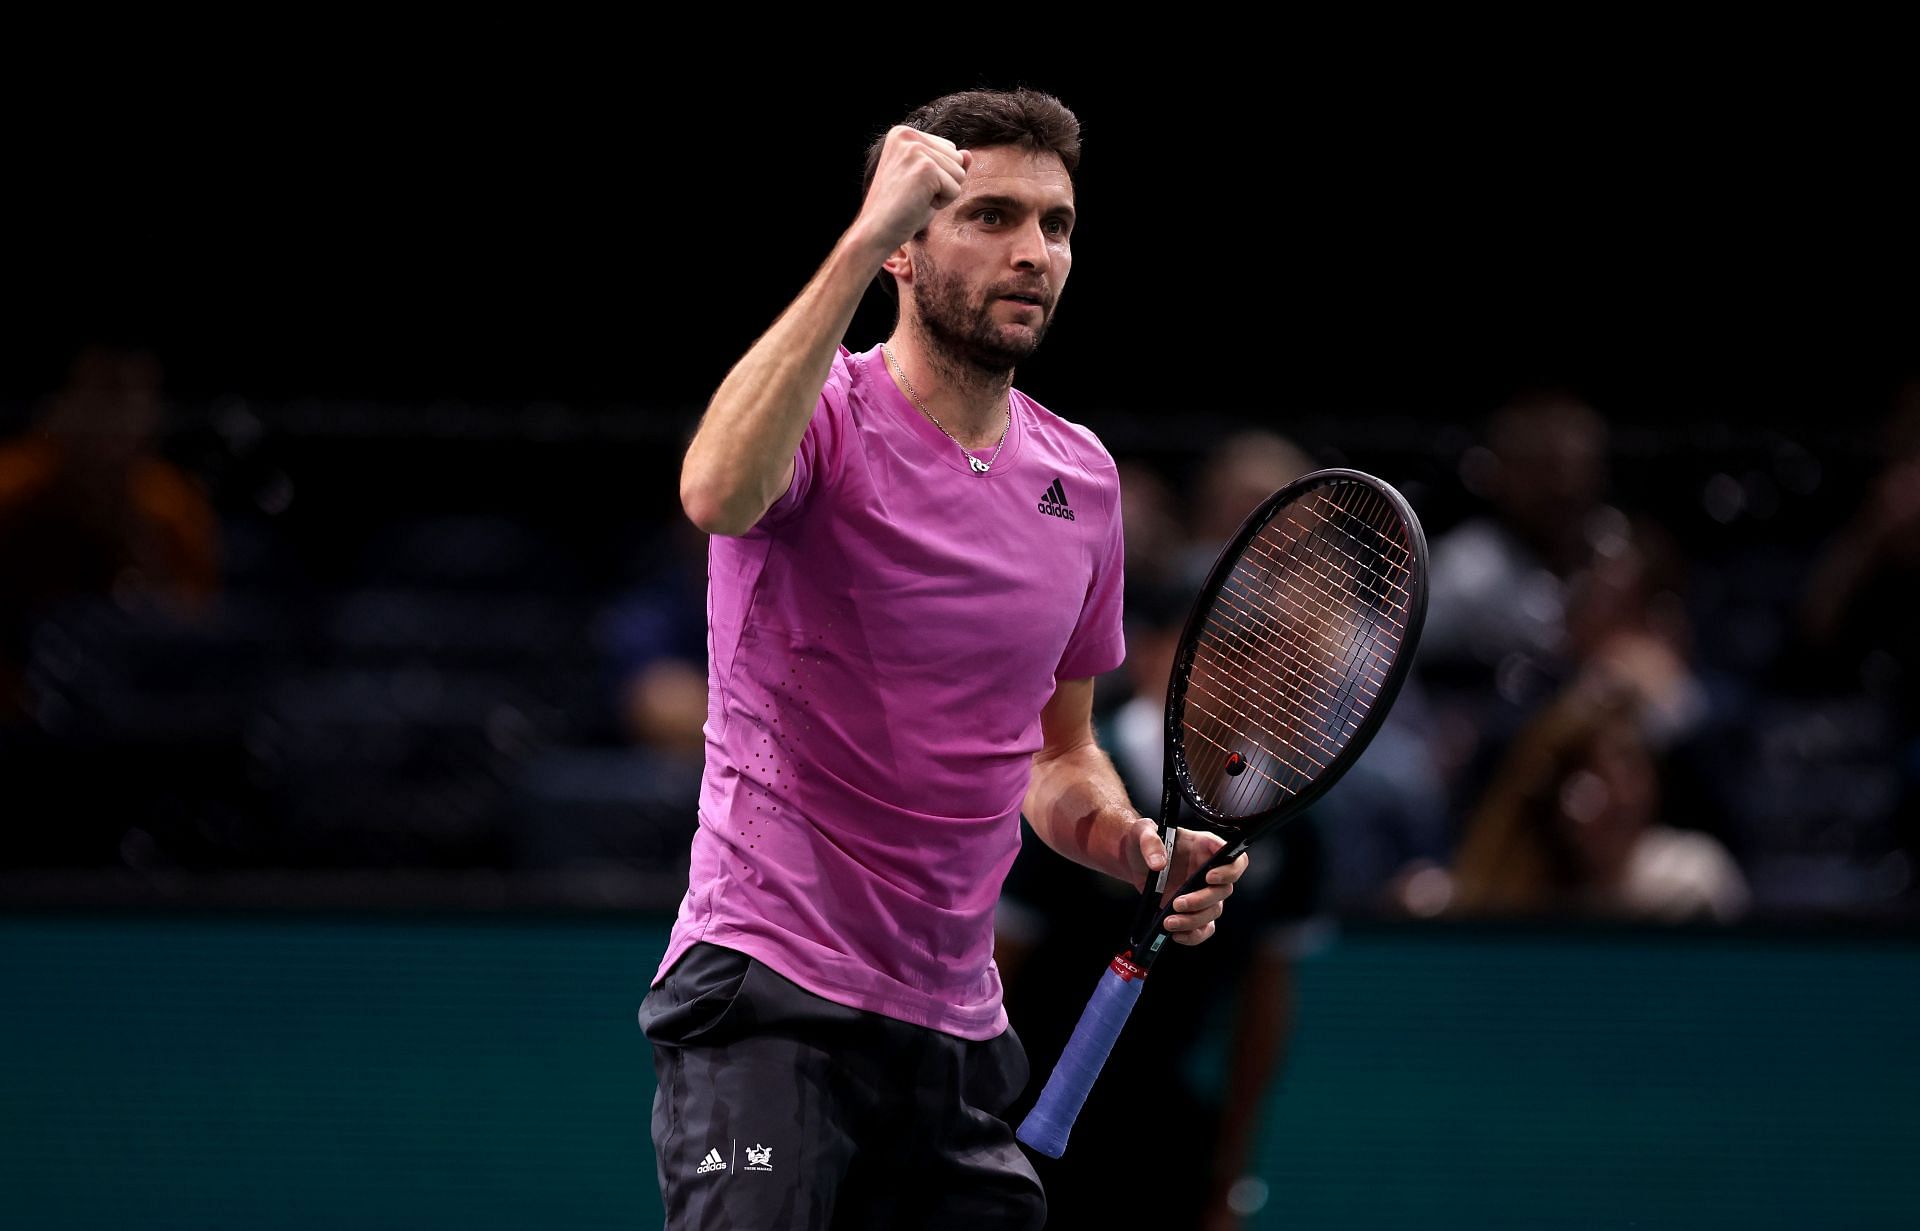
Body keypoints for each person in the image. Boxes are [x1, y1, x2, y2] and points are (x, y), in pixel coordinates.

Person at [639, 88, 1249, 1229]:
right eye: (992, 216)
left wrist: (1129, 843)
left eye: (1057, 225)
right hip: (767, 1003)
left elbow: (1057, 754)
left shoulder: (1085, 481)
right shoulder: (821, 418)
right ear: (908, 249)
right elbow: (716, 490)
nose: (1034, 253)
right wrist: (857, 240)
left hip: (956, 1031)